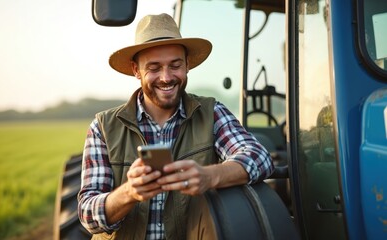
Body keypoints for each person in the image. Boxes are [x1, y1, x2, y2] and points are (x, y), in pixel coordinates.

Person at [78, 13, 274, 240]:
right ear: (136, 70)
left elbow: (259, 157)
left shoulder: (211, 112)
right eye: (154, 68)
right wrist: (129, 193)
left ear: (187, 65)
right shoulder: (103, 126)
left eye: (175, 65)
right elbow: (87, 215)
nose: (166, 77)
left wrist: (210, 176)